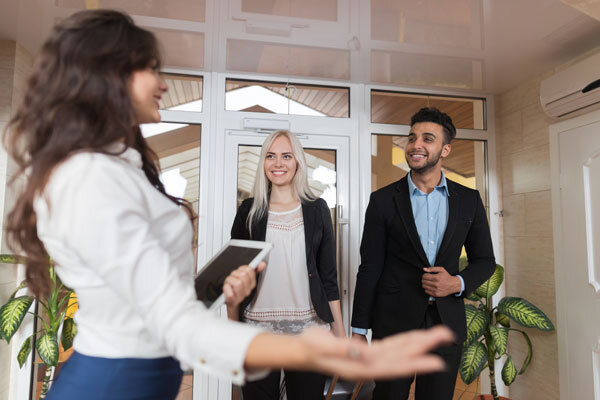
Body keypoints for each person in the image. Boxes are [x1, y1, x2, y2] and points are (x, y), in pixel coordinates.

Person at [3, 10, 454, 400]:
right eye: (150, 69)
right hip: (115, 381)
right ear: (108, 74)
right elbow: (169, 318)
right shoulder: (90, 176)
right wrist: (318, 349)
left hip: (145, 374)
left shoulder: (120, 163)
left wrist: (220, 288)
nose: (163, 83)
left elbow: (156, 289)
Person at [351, 107, 496, 400]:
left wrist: (457, 283)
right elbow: (370, 267)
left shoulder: (469, 200)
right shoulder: (382, 201)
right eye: (412, 137)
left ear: (445, 149)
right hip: (393, 324)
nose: (416, 145)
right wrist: (358, 329)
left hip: (446, 324)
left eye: (427, 138)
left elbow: (485, 261)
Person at [229, 130, 344, 400]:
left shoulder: (317, 209)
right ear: (263, 163)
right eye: (270, 156)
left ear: (298, 163)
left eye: (286, 156)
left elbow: (329, 277)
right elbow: (236, 277)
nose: (278, 163)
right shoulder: (249, 210)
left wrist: (339, 333)